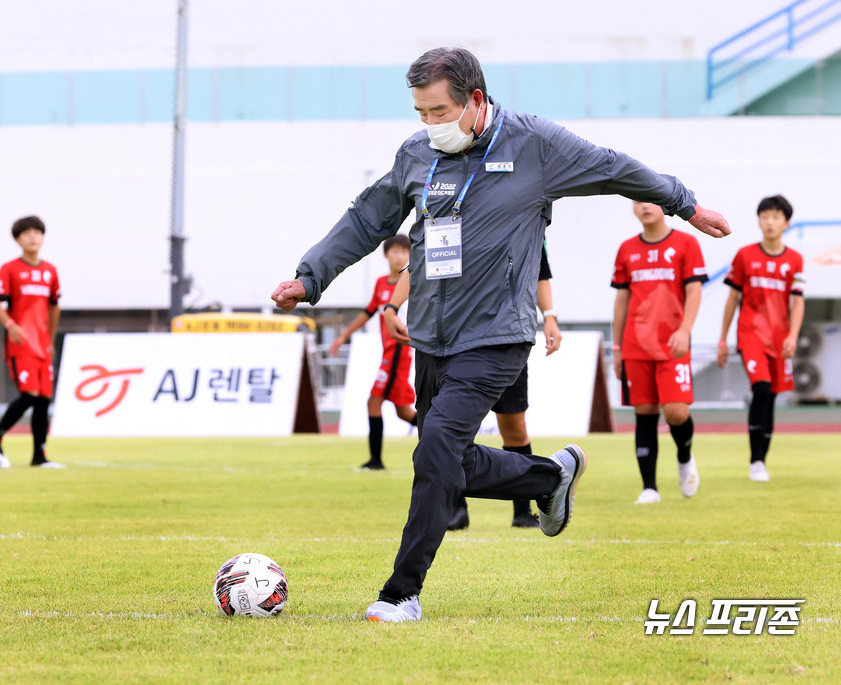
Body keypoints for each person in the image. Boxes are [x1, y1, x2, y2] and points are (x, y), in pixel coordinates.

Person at [271, 47, 730, 623]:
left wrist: (684, 203)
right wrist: (309, 276)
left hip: (496, 336)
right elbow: (368, 219)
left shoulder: (535, 144)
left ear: (476, 101)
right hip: (432, 336)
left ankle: (400, 594)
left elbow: (615, 167)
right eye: (421, 114)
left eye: (440, 112)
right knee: (448, 461)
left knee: (435, 445)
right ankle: (551, 475)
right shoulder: (417, 154)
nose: (430, 126)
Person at [383, 242, 562, 528]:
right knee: (442, 432)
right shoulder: (452, 214)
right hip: (449, 342)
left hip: (504, 339)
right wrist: (392, 307)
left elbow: (540, 274)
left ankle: (524, 509)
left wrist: (549, 317)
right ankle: (454, 510)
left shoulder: (524, 222)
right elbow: (422, 260)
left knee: (513, 425)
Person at [611, 202, 707, 504]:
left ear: (665, 206)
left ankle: (684, 457)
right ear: (633, 210)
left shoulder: (686, 243)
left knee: (677, 412)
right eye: (637, 202)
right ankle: (649, 488)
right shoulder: (627, 249)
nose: (644, 206)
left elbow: (694, 291)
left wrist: (685, 330)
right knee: (645, 411)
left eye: (649, 200)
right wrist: (616, 346)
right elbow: (622, 301)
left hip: (673, 344)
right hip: (636, 344)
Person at [717, 195, 804, 482]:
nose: (769, 222)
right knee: (762, 389)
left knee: (772, 397)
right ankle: (755, 461)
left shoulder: (795, 260)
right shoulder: (745, 255)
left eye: (775, 217)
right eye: (765, 216)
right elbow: (732, 298)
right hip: (750, 335)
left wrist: (792, 336)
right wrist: (722, 339)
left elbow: (798, 301)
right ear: (759, 221)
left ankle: (761, 461)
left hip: (780, 339)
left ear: (786, 223)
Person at [0, 216, 65, 469]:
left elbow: (54, 307)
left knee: (43, 400)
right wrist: (10, 324)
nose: (32, 237)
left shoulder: (50, 271)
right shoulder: (10, 269)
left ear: (43, 237)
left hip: (42, 345)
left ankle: (39, 456)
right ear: (17, 239)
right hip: (21, 343)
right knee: (29, 394)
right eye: (26, 233)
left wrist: (49, 340)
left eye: (37, 232)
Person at [329, 235, 418, 470]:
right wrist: (342, 336)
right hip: (387, 352)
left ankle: (376, 461)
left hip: (399, 350)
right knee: (404, 412)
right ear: (385, 254)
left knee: (373, 402)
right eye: (395, 251)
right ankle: (449, 436)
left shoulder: (412, 281)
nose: (400, 256)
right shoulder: (380, 283)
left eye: (404, 252)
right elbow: (368, 312)